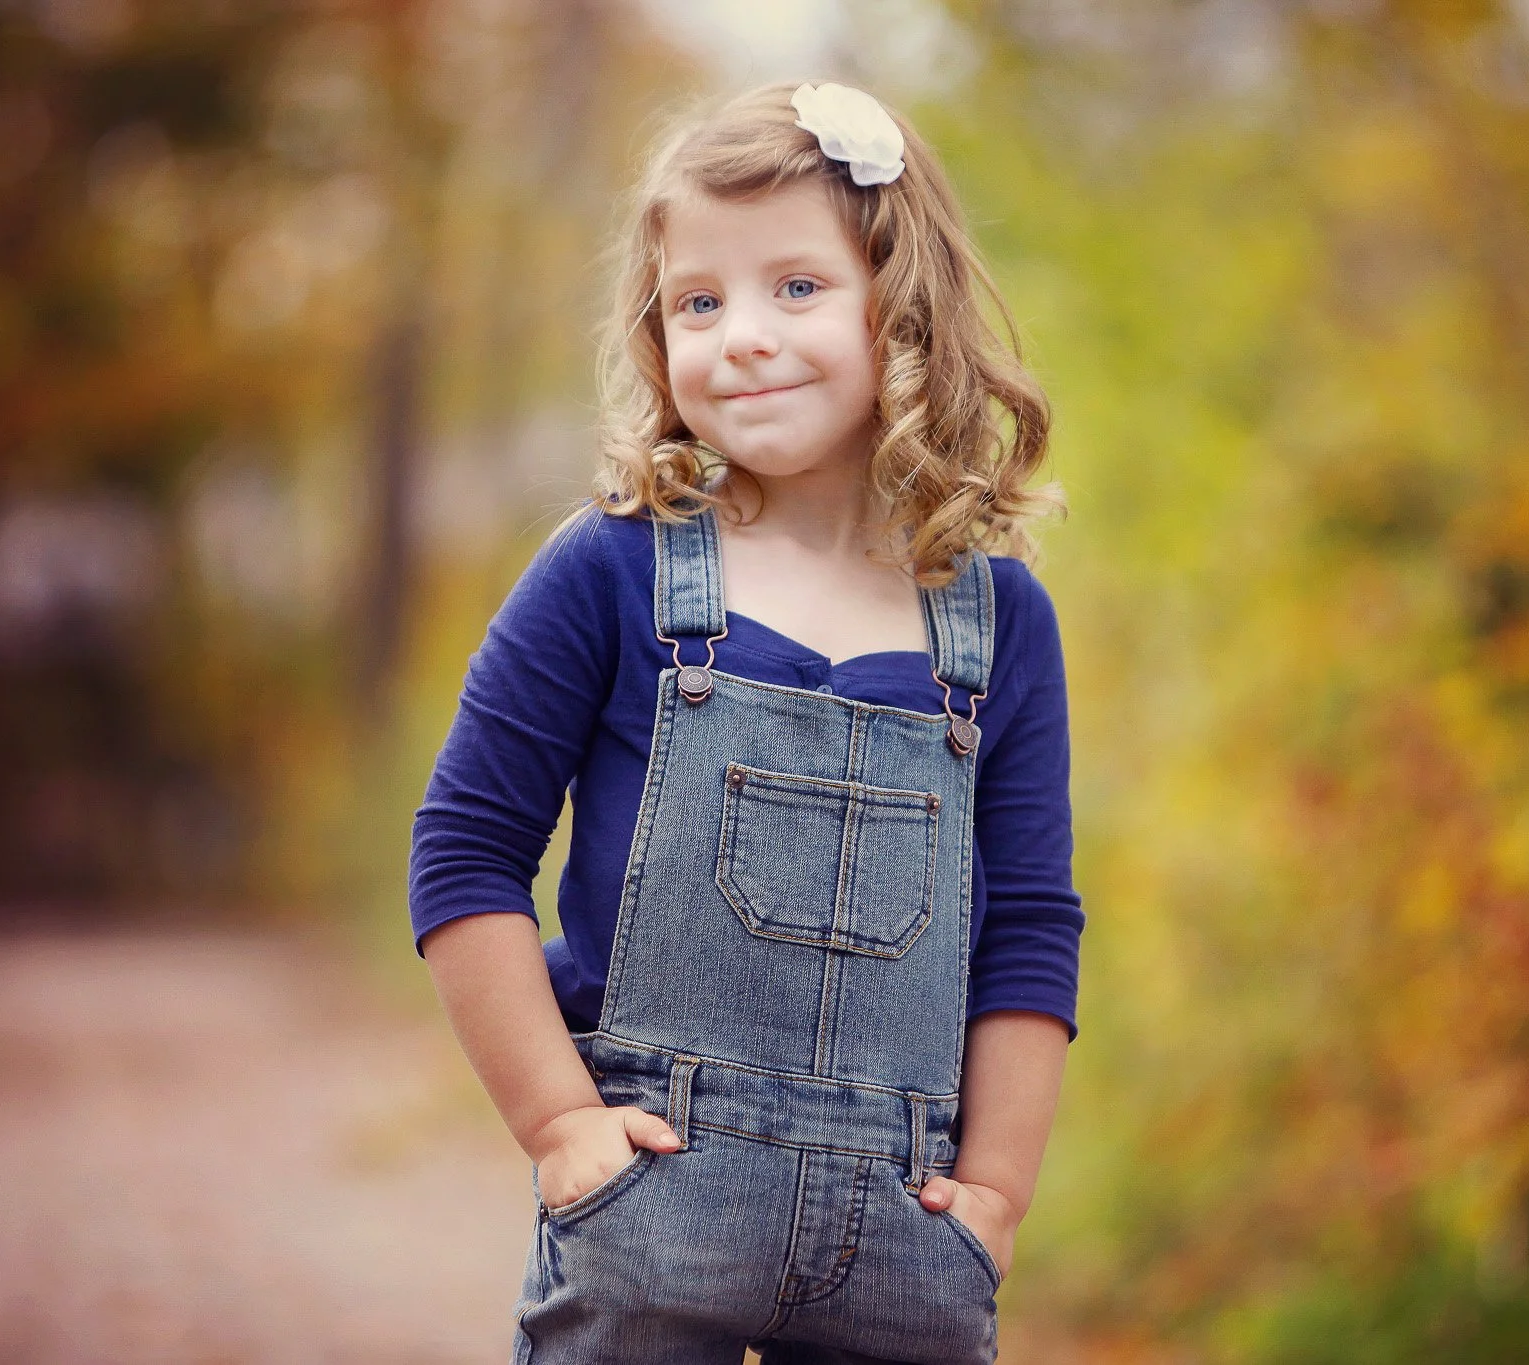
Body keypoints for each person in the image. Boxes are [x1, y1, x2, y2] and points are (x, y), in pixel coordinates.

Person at [409, 78, 1082, 1365]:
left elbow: (1032, 926)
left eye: (795, 288)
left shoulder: (998, 625)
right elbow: (463, 854)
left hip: (906, 1232)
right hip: (653, 1203)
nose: (743, 337)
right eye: (698, 302)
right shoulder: (609, 575)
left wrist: (992, 1197)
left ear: (902, 304)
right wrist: (562, 1129)